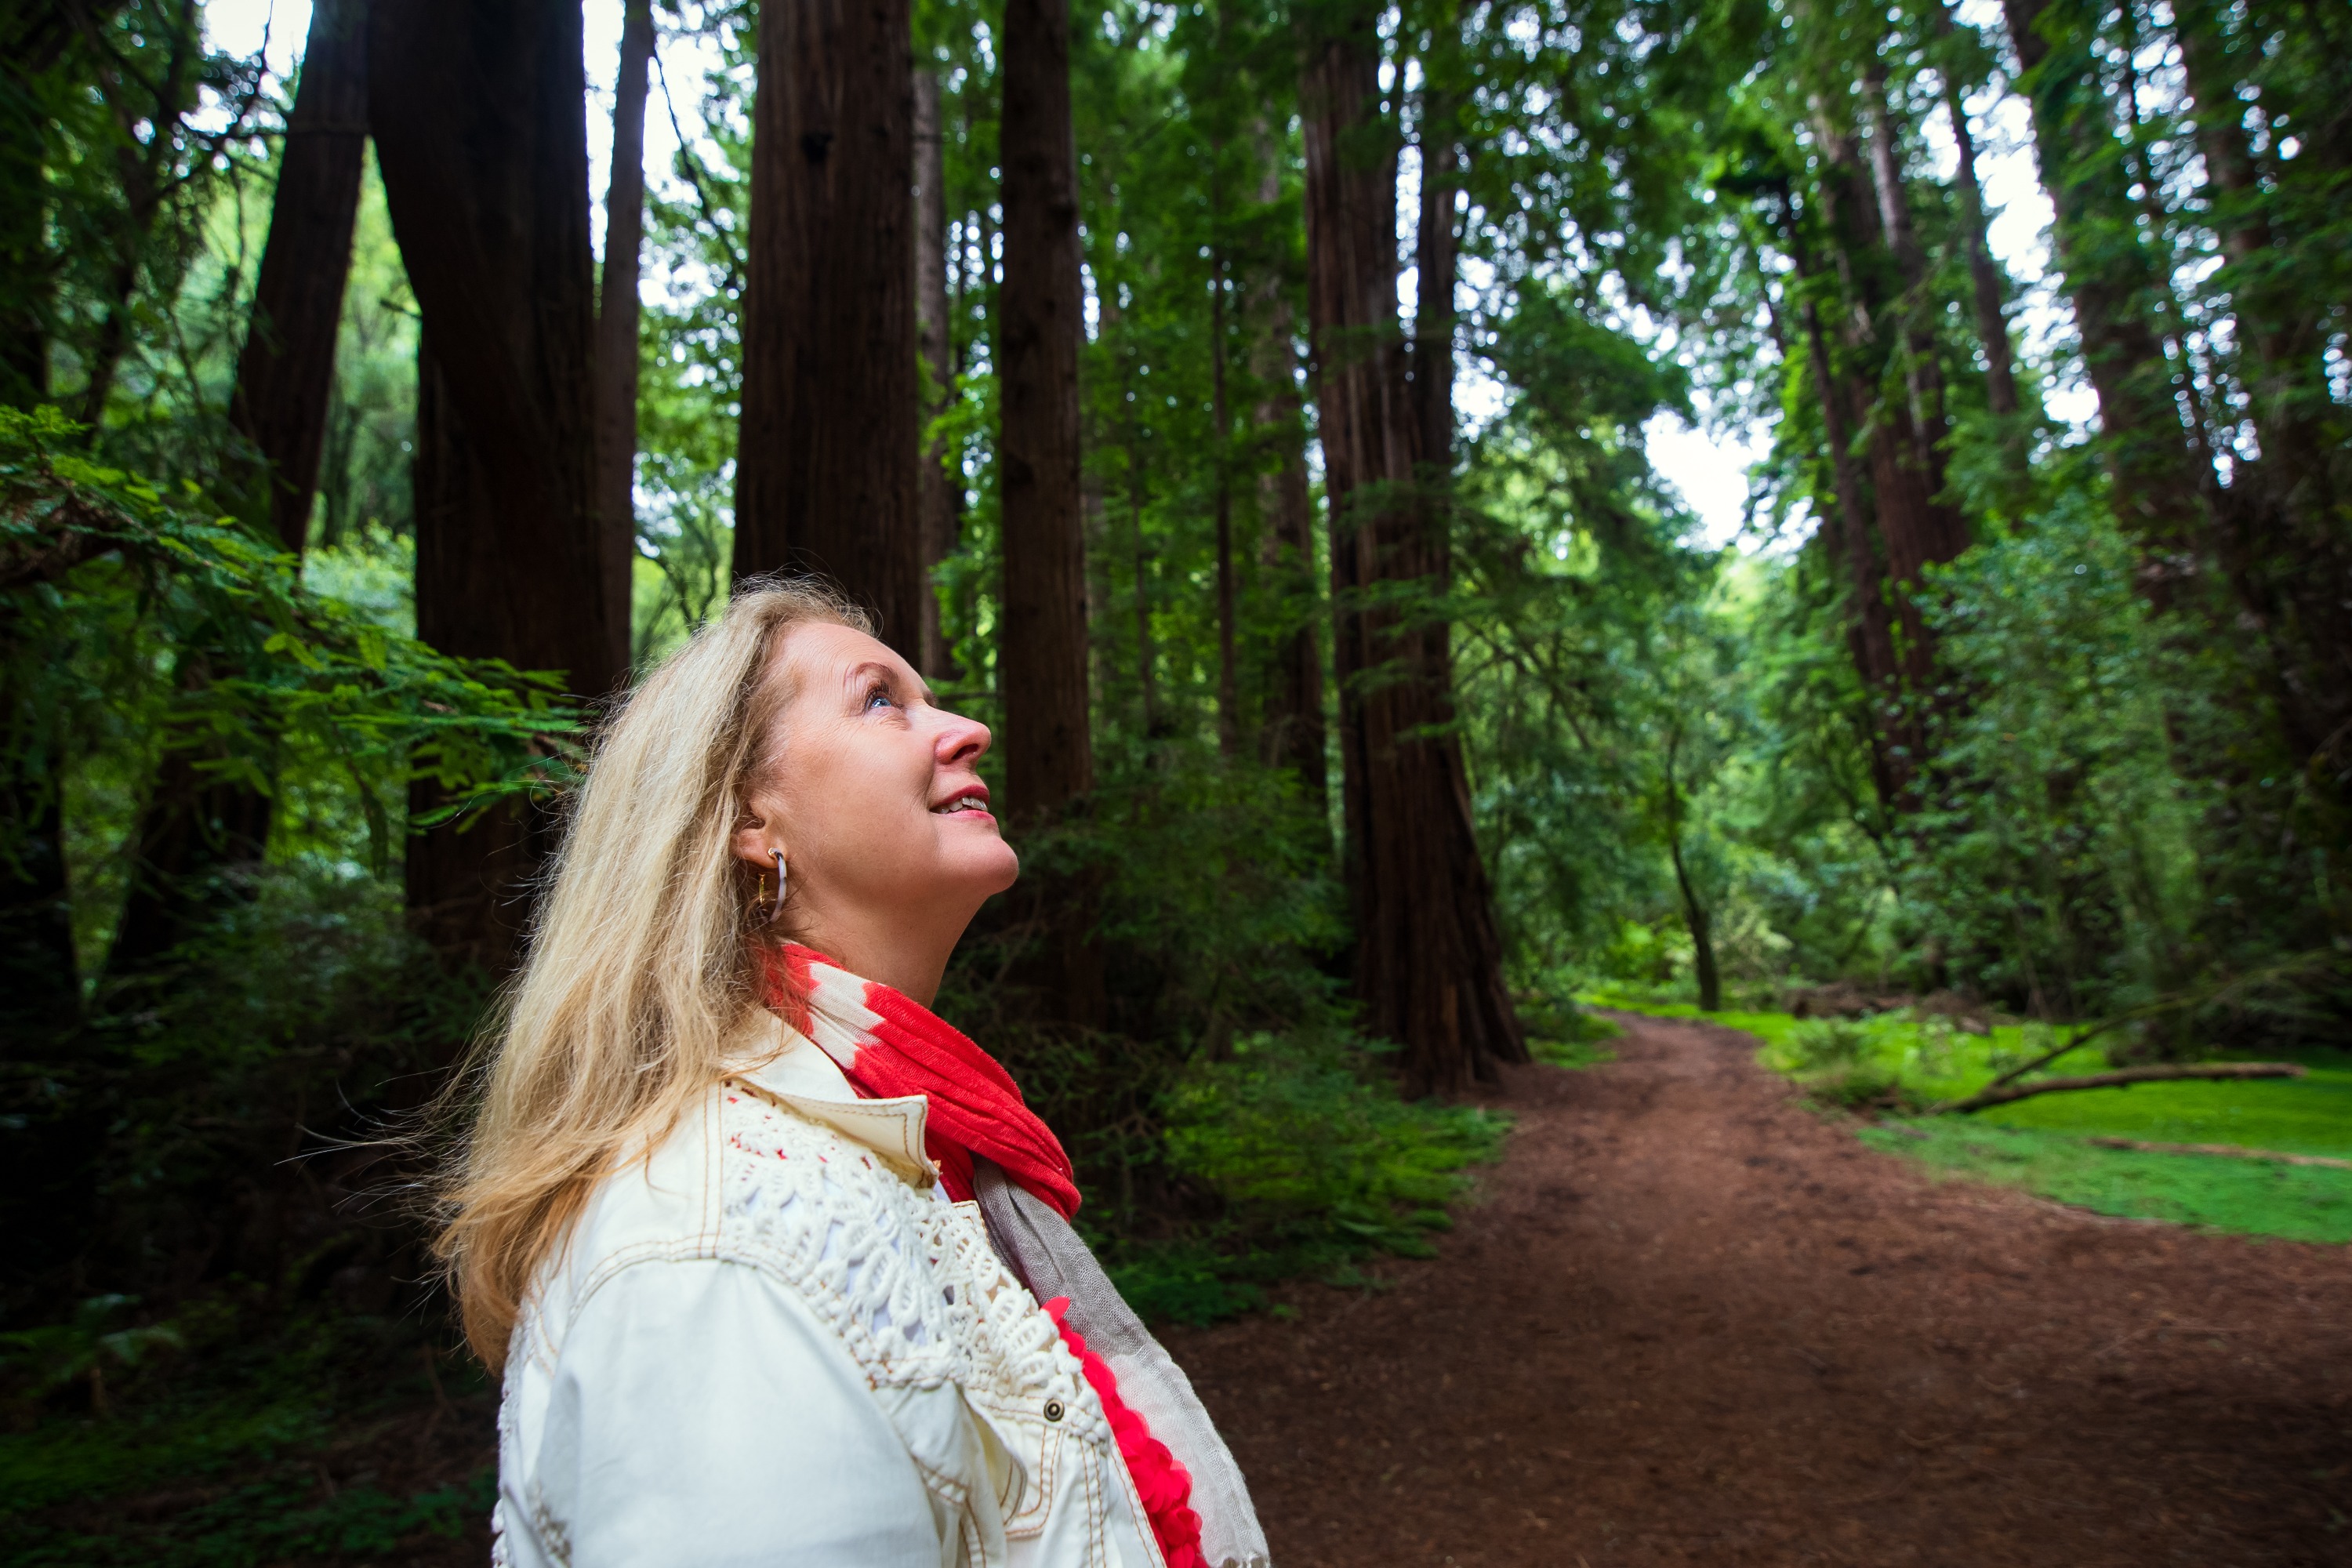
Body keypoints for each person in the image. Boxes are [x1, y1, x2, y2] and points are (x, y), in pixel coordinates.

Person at [435, 580, 1268, 1568]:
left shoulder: (901, 1151)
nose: (969, 729)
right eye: (882, 699)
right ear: (751, 815)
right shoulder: (726, 1234)